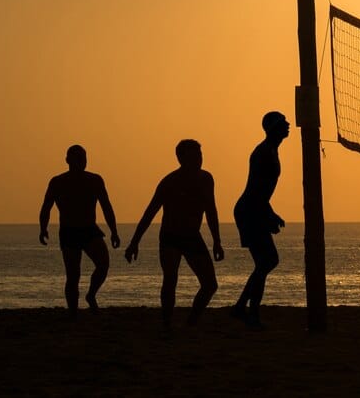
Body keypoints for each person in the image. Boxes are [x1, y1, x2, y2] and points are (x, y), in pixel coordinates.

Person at [124, 139, 224, 328]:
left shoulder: (206, 179)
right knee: (170, 279)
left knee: (210, 284)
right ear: (180, 158)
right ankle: (167, 322)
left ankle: (192, 321)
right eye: (193, 156)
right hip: (170, 237)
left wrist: (216, 241)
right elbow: (150, 212)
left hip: (193, 236)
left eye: (200, 155)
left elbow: (211, 210)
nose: (198, 160)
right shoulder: (169, 182)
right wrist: (134, 242)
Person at [39, 145, 121, 318]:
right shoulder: (58, 182)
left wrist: (114, 231)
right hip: (69, 232)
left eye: (83, 158)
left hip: (90, 230)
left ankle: (91, 295)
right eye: (77, 159)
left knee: (103, 263)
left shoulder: (95, 180)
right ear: (68, 160)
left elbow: (106, 206)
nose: (81, 162)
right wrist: (43, 228)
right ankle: (73, 313)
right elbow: (46, 207)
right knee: (73, 274)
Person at [231, 111, 290, 330]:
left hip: (255, 208)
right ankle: (246, 311)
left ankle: (245, 310)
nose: (288, 125)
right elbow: (256, 191)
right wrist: (268, 214)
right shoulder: (263, 153)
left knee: (265, 262)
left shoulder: (271, 150)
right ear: (273, 127)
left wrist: (270, 213)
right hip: (249, 210)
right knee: (267, 261)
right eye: (283, 123)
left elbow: (263, 191)